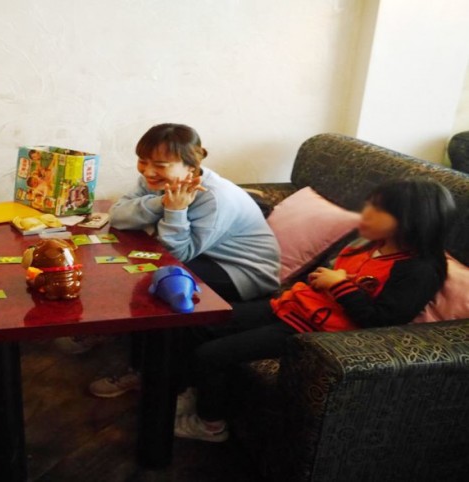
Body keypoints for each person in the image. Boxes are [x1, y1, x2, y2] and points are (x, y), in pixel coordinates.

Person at [174, 180, 455, 442]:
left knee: (211, 354)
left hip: (313, 332)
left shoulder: (419, 270)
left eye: (379, 209)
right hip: (293, 307)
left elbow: (381, 320)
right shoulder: (370, 245)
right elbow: (340, 276)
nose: (366, 213)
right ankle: (191, 388)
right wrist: (327, 280)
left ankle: (210, 424)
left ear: (412, 220)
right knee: (202, 321)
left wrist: (340, 286)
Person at [80, 123, 282, 398]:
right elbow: (118, 216)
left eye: (160, 165)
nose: (148, 171)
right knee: (135, 271)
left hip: (243, 272)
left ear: (191, 166)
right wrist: (162, 202)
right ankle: (119, 336)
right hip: (203, 257)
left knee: (152, 284)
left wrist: (176, 212)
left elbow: (178, 256)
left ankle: (144, 373)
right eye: (143, 161)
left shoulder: (214, 198)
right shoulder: (156, 181)